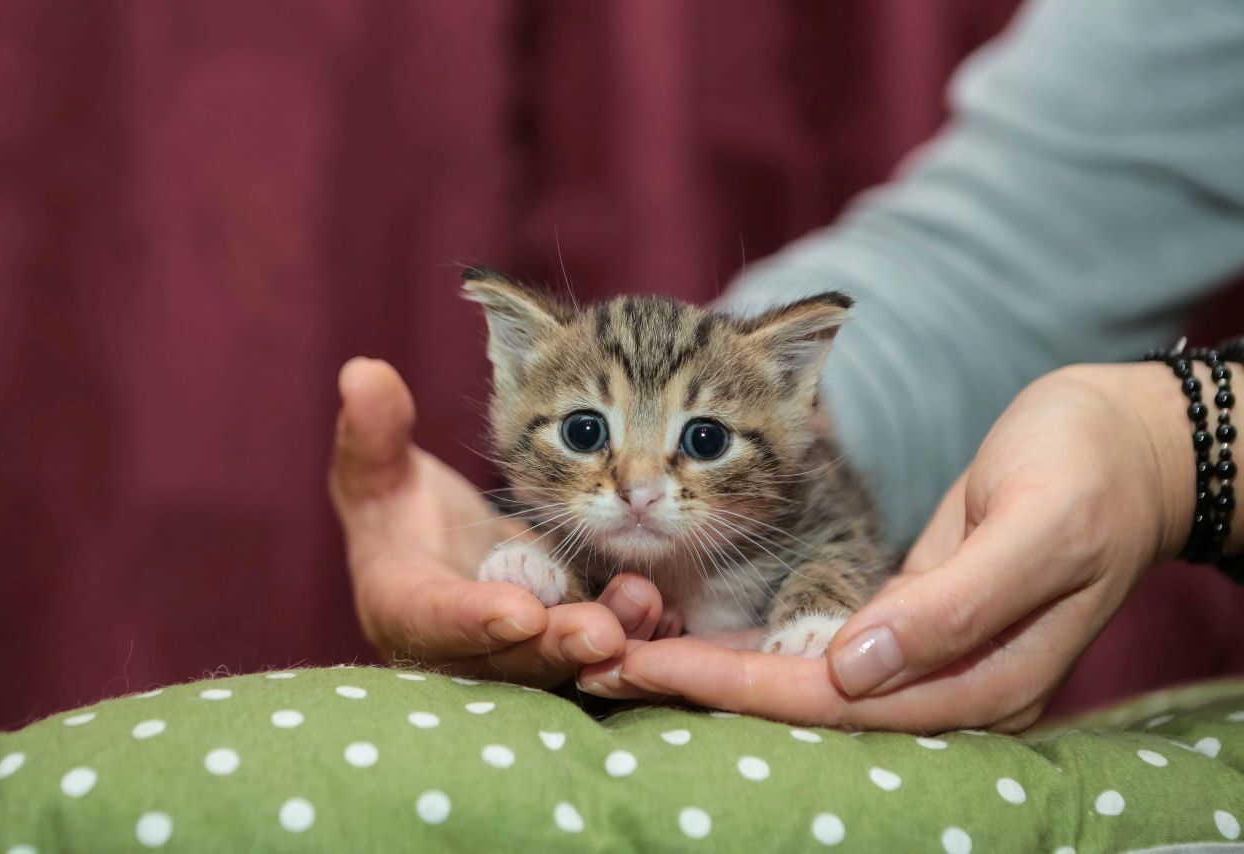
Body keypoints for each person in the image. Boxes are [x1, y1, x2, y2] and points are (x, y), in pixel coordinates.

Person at [328, 0, 1244, 732]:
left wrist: (1176, 450)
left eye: (701, 439)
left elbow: (840, 539)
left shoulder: (797, 526)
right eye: (586, 433)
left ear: (789, 406)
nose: (641, 485)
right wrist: (537, 562)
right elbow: (998, 260)